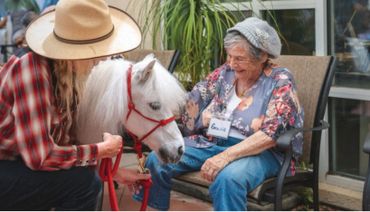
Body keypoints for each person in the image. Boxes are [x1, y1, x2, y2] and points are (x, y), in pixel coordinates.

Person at [133, 17, 304, 211]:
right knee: (158, 159)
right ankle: (154, 207)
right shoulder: (225, 73)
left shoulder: (280, 81)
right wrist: (151, 107)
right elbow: (191, 100)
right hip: (213, 143)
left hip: (259, 152)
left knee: (228, 179)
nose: (231, 64)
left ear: (263, 56)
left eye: (239, 58)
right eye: (229, 56)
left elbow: (271, 136)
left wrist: (225, 157)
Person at [0, 0, 149, 210]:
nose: (103, 58)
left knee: (83, 179)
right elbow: (40, 158)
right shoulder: (31, 69)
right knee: (82, 184)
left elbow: (64, 144)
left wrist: (112, 173)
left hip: (15, 162)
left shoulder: (67, 75)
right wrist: (100, 150)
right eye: (97, 49)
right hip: (8, 165)